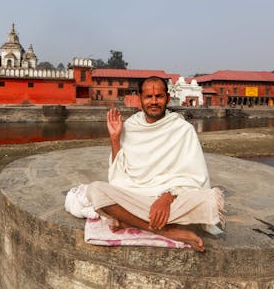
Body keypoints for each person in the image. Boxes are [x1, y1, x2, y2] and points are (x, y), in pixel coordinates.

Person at [87, 76, 223, 252]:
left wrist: (166, 198)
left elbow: (194, 176)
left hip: (171, 199)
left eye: (158, 96)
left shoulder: (182, 129)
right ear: (140, 100)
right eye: (148, 97)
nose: (153, 101)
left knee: (208, 201)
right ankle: (167, 232)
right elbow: (118, 177)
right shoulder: (131, 126)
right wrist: (115, 138)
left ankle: (129, 220)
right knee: (95, 191)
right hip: (136, 195)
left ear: (167, 98)